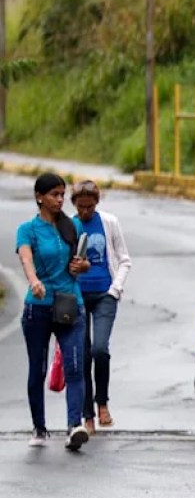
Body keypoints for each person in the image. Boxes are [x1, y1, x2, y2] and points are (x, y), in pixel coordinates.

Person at [15, 172, 91, 451]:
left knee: (75, 366)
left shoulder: (73, 227)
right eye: (54, 195)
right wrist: (34, 281)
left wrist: (82, 266)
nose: (60, 200)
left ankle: (74, 426)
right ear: (39, 197)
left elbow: (84, 262)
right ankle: (39, 426)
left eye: (62, 194)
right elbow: (26, 258)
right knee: (38, 367)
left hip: (71, 304)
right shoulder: (27, 229)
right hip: (38, 308)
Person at [71, 179, 132, 435]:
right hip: (77, 297)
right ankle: (88, 415)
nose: (86, 211)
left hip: (105, 294)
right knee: (83, 355)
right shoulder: (68, 226)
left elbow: (124, 259)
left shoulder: (109, 222)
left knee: (99, 349)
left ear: (97, 203)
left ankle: (102, 402)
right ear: (74, 204)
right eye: (81, 207)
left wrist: (115, 288)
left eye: (90, 206)